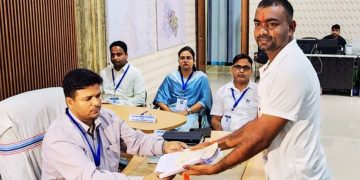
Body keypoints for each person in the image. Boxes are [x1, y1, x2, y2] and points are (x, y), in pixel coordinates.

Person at [184, 0, 331, 179]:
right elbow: (258, 124)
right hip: (282, 170)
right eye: (257, 24)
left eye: (272, 24)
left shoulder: (291, 68)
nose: (262, 31)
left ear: (291, 27)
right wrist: (216, 145)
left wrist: (215, 167)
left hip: (298, 175)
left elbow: (262, 137)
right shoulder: (275, 64)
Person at [41, 68, 187, 179]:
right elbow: (90, 177)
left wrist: (164, 146)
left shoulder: (106, 117)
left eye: (98, 96)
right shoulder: (60, 137)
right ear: (70, 102)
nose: (96, 103)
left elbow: (135, 140)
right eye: (88, 99)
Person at [153, 46, 212, 131]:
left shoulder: (201, 78)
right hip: (171, 111)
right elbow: (159, 99)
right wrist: (170, 112)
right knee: (158, 128)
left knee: (184, 129)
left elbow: (204, 101)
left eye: (188, 58)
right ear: (178, 61)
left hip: (191, 113)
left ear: (194, 61)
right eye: (182, 58)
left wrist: (186, 111)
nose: (185, 60)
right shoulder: (171, 77)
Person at [211, 54, 258, 131]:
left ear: (251, 71)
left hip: (249, 138)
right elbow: (215, 120)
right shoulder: (222, 91)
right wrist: (224, 137)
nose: (241, 71)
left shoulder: (259, 91)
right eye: (238, 67)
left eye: (246, 68)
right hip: (226, 136)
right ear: (232, 70)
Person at [100, 41, 146, 106]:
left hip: (126, 108)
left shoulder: (135, 73)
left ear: (126, 55)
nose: (115, 58)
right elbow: (98, 93)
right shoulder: (104, 73)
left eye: (119, 54)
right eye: (112, 55)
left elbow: (140, 99)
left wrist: (119, 104)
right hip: (106, 107)